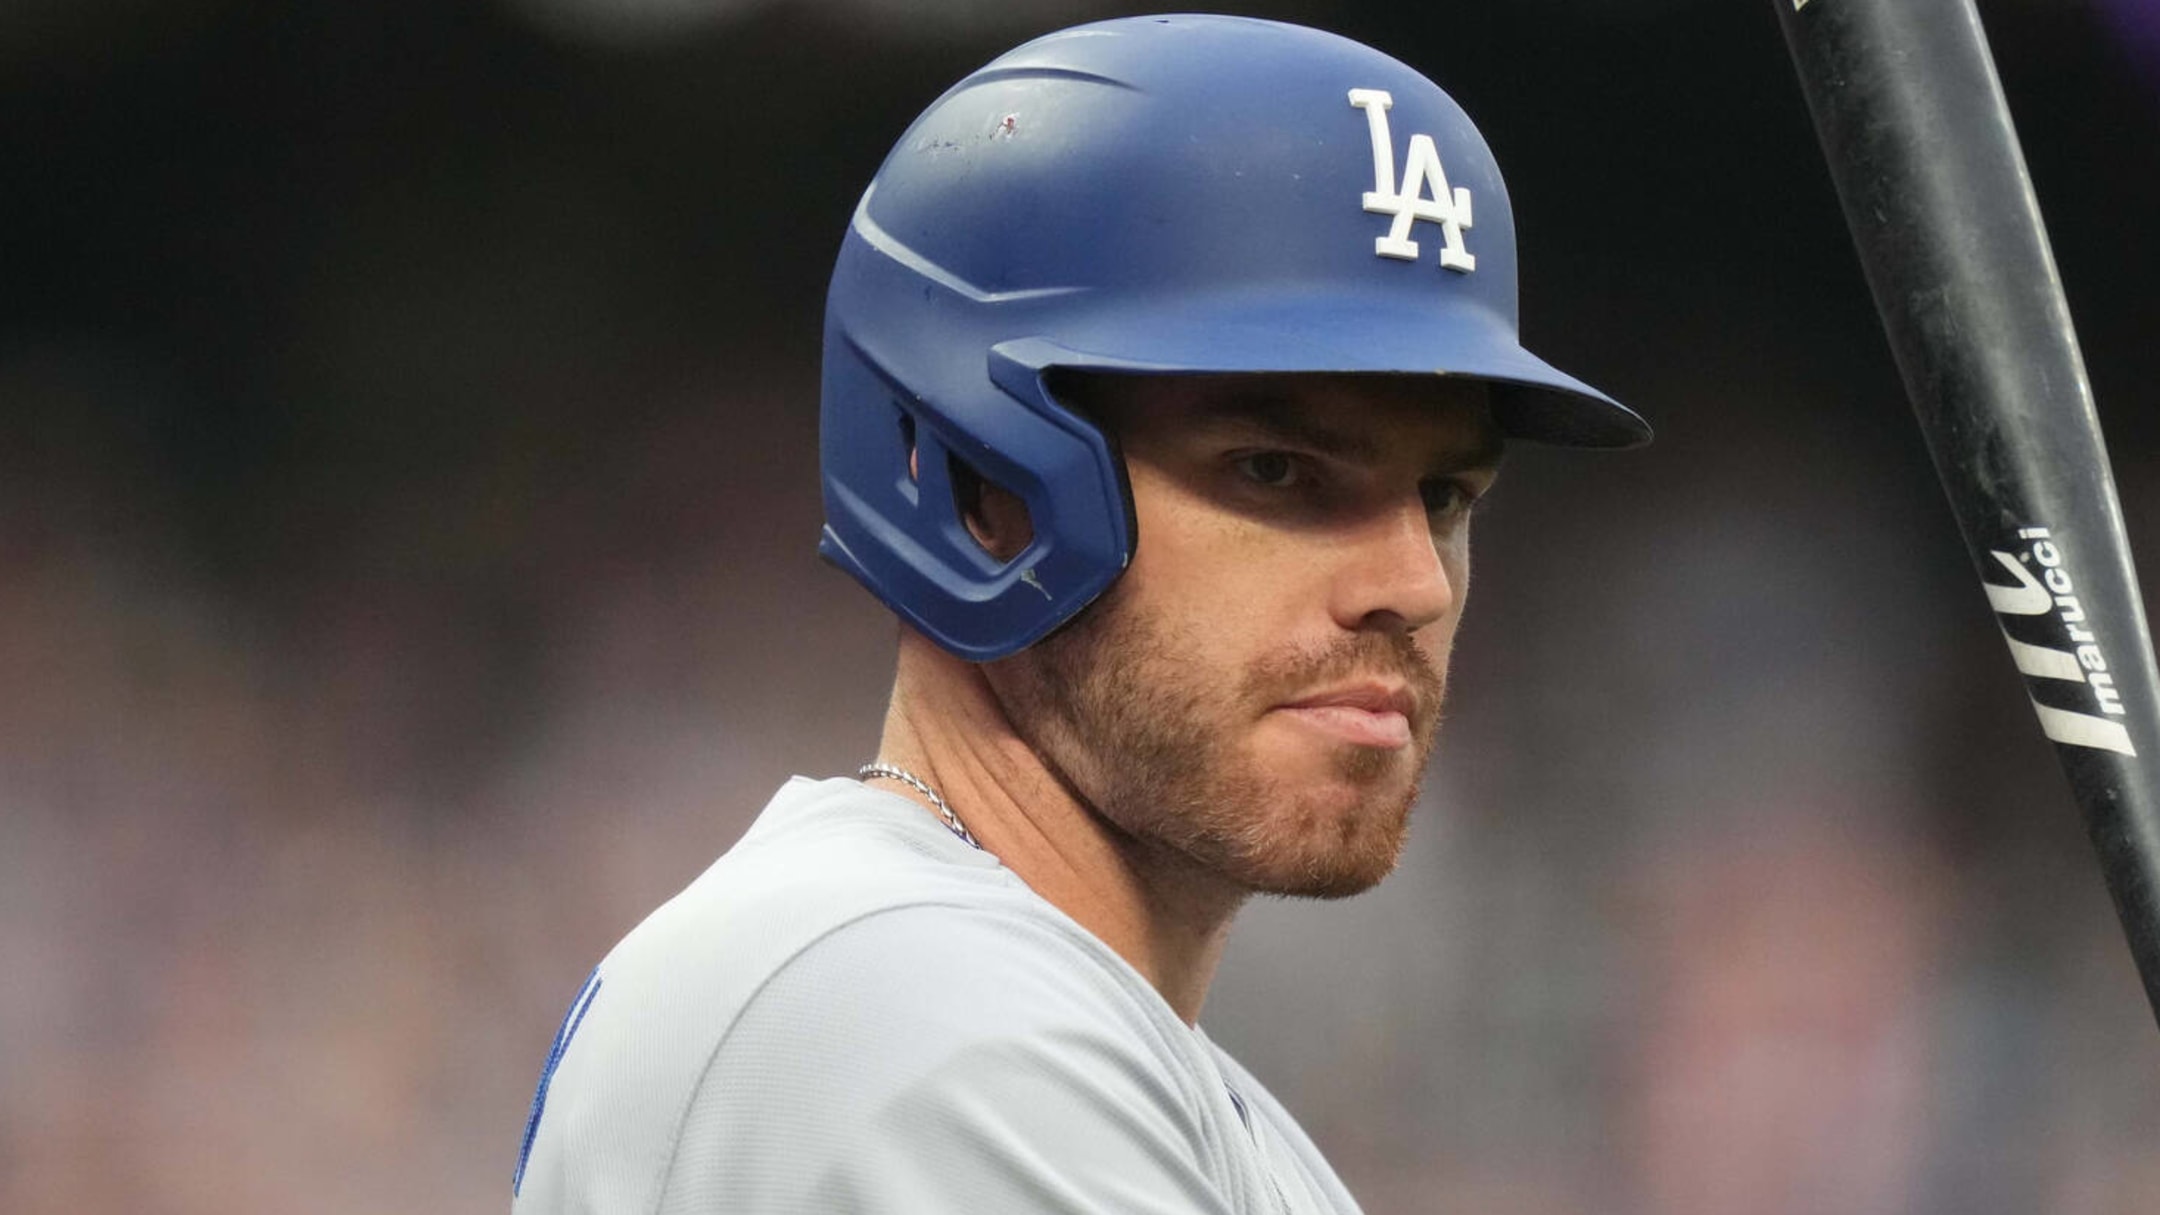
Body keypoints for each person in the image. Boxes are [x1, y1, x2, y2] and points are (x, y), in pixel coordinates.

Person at [511, 14, 1647, 1213]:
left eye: (1444, 495)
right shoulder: (910, 1008)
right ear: (975, 489)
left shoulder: (1114, 1060)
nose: (1414, 585)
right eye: (1275, 469)